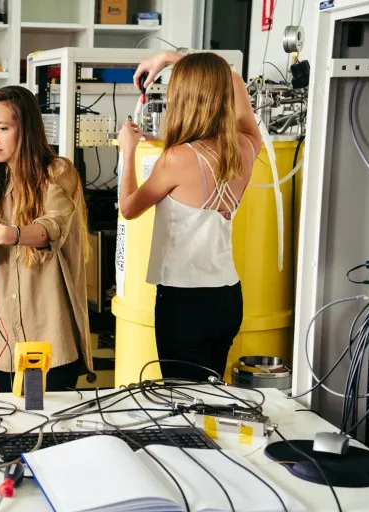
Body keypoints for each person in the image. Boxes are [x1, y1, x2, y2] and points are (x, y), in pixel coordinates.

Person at [117, 51, 261, 382]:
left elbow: (129, 207)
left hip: (184, 303)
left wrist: (128, 150)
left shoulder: (178, 159)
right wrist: (170, 57)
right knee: (212, 397)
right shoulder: (245, 146)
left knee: (184, 403)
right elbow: (233, 79)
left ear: (184, 98)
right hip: (226, 297)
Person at [0, 86, 92, 392]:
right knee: (13, 429)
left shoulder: (57, 172)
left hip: (48, 343)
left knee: (44, 427)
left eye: (2, 128)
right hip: (5, 347)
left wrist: (6, 233)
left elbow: (50, 228)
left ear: (26, 129)